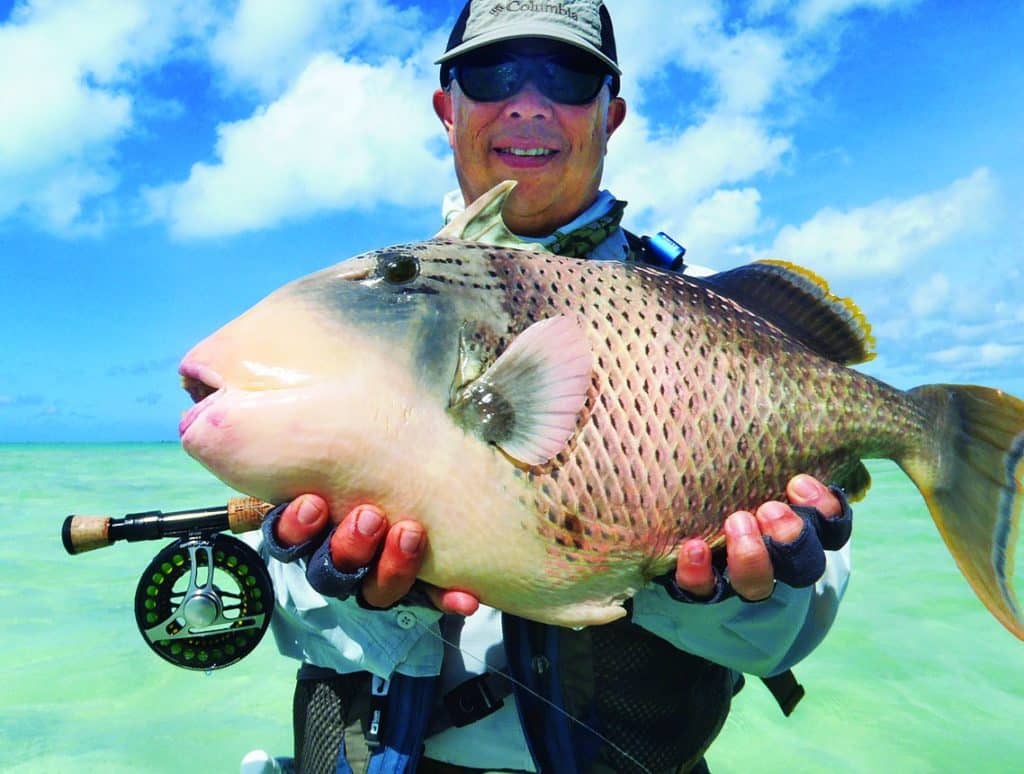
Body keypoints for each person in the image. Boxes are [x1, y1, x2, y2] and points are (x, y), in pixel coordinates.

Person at [245, 2, 853, 772]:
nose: (527, 102)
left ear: (611, 112)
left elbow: (784, 641)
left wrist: (717, 588)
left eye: (567, 77)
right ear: (448, 106)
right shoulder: (364, 310)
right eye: (492, 73)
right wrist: (350, 587)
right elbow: (288, 613)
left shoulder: (716, 318)